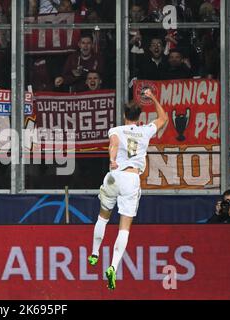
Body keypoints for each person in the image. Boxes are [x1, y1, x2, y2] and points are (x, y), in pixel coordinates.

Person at [87, 88, 168, 290]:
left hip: (115, 176)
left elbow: (113, 145)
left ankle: (95, 253)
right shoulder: (146, 130)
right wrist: (153, 98)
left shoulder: (116, 131)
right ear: (139, 117)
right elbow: (164, 118)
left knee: (103, 217)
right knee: (124, 227)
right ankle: (113, 266)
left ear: (124, 116)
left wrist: (112, 160)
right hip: (131, 178)